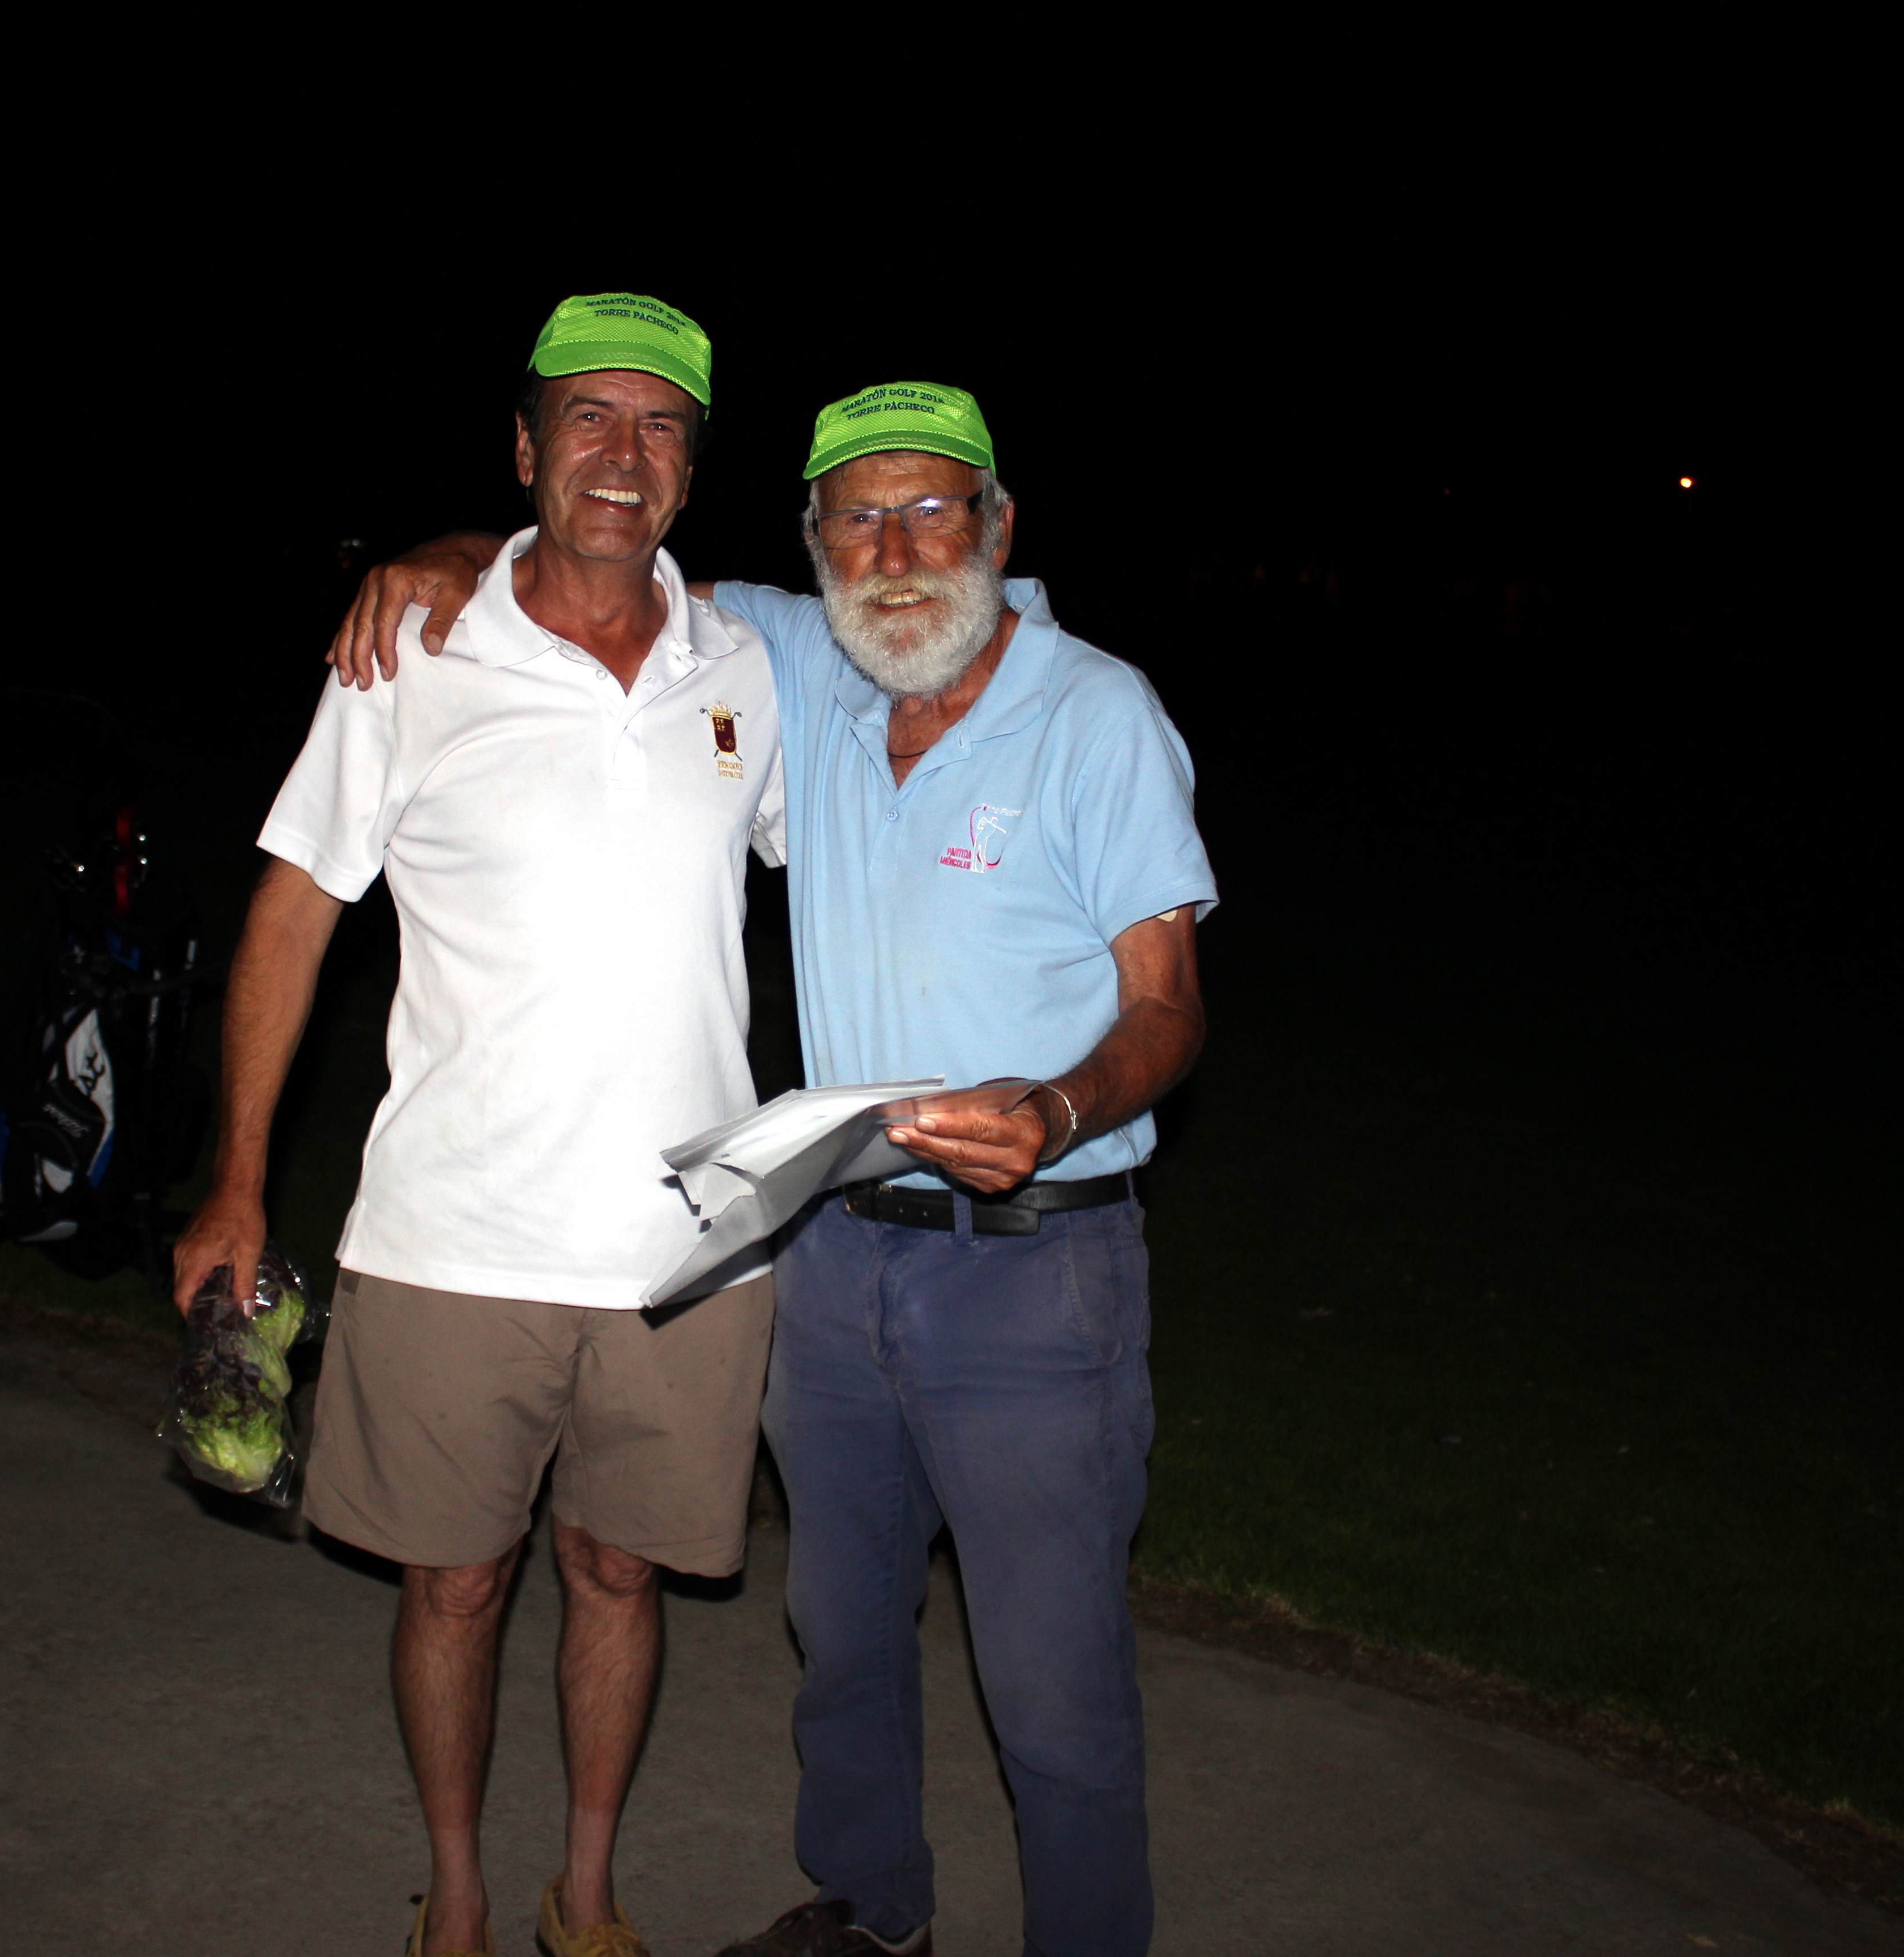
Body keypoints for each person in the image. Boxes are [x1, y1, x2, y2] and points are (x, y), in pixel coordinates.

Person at [334, 381, 1214, 1957]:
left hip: (1035, 1269)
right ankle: (872, 1914)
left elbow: (1167, 1009)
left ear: (999, 526)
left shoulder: (1098, 713)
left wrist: (1062, 1104)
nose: (897, 555)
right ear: (814, 547)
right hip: (832, 1256)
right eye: (856, 521)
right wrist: (446, 556)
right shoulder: (799, 662)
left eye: (932, 511)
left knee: (1051, 1686)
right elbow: (592, 553)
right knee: (843, 1636)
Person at [175, 293, 787, 1957]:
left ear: (691, 469)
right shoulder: (412, 653)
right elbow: (294, 913)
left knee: (619, 1573)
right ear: (523, 451)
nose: (622, 453)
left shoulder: (752, 665)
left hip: (688, 1249)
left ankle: (585, 1892)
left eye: (660, 426)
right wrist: (235, 1186)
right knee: (452, 1581)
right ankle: (453, 1895)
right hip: (454, 1231)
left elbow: (869, 821)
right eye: (588, 416)